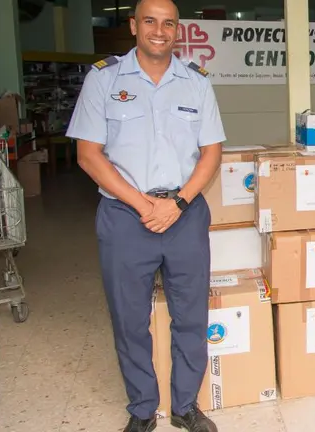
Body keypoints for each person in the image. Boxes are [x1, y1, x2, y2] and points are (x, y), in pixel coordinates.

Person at [66, 0, 225, 431]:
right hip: (124, 216)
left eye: (168, 23)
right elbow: (88, 155)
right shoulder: (104, 79)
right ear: (134, 25)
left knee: (191, 316)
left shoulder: (196, 83)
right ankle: (141, 410)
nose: (159, 30)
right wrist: (144, 205)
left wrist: (178, 204)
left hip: (185, 213)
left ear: (178, 30)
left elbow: (212, 153)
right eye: (150, 21)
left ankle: (185, 406)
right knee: (129, 318)